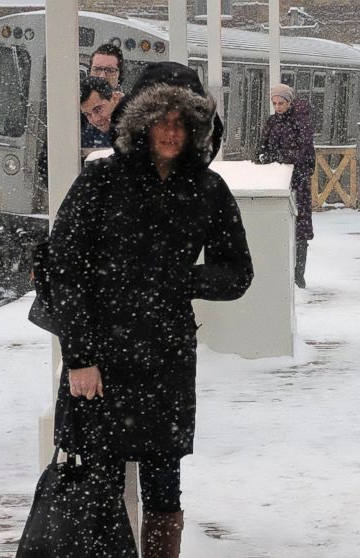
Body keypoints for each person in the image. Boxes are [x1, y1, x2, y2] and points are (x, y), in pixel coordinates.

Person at [46, 62, 252, 556]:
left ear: (197, 127)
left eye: (183, 121)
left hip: (165, 357)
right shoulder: (101, 182)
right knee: (97, 485)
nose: (171, 131)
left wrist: (183, 279)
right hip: (102, 357)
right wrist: (79, 358)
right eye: (161, 119)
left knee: (164, 484)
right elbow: (62, 271)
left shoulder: (206, 189)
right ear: (139, 122)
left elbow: (237, 273)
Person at [256, 83, 315, 288]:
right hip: (277, 181)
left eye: (281, 103)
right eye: (275, 103)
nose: (278, 107)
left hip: (298, 181)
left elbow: (303, 152)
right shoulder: (272, 122)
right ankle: (283, 273)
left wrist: (280, 157)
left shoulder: (301, 122)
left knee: (300, 229)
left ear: (290, 102)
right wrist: (263, 157)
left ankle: (299, 274)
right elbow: (262, 146)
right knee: (281, 225)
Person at [80, 76, 120, 149]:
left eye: (98, 109)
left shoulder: (139, 124)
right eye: (87, 114)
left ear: (115, 98)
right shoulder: (82, 135)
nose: (95, 119)